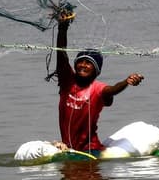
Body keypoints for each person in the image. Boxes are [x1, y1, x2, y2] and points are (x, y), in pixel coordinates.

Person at [53, 10, 144, 156]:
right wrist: (62, 28)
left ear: (96, 70)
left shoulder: (97, 89)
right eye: (80, 62)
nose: (83, 65)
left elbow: (112, 90)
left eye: (88, 63)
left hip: (91, 151)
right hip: (69, 148)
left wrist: (126, 82)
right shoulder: (67, 82)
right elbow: (61, 54)